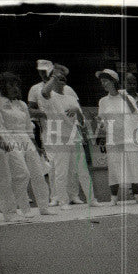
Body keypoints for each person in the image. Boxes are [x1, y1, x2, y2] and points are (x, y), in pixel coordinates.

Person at [0, 72, 53, 221]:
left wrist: (36, 146)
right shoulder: (0, 103)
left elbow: (28, 127)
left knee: (38, 173)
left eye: (16, 85)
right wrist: (3, 140)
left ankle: (44, 207)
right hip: (10, 139)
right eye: (11, 85)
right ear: (3, 87)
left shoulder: (21, 105)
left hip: (26, 138)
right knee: (21, 174)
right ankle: (20, 209)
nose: (15, 88)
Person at [39, 64, 95, 207]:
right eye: (58, 75)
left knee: (82, 170)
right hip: (58, 138)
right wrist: (54, 76)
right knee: (61, 171)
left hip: (74, 137)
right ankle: (63, 202)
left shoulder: (71, 98)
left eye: (64, 75)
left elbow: (81, 121)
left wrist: (76, 110)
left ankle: (91, 200)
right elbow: (45, 91)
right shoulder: (49, 96)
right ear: (52, 78)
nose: (62, 77)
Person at [95, 68, 138, 204]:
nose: (103, 84)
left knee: (134, 166)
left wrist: (126, 99)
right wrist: (100, 125)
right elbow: (101, 120)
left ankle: (137, 196)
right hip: (113, 139)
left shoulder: (127, 97)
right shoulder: (103, 101)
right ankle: (114, 198)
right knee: (114, 167)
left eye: (106, 81)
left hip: (130, 138)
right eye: (102, 82)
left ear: (114, 81)